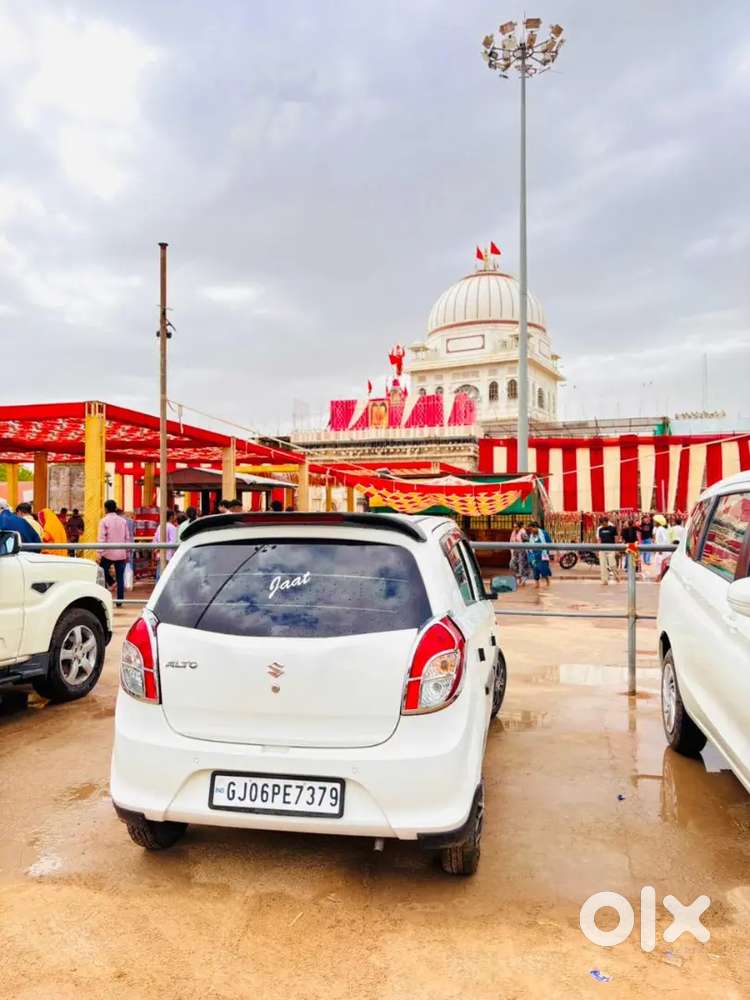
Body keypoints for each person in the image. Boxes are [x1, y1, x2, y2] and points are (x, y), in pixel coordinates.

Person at [98, 499, 130, 607]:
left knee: (102, 573)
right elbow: (127, 538)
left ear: (106, 509)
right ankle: (120, 601)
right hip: (121, 552)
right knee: (120, 578)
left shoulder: (104, 521)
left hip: (108, 553)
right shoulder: (123, 521)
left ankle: (104, 596)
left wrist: (99, 553)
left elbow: (102, 538)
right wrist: (127, 552)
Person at [152, 510, 178, 578]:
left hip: (160, 554)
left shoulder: (160, 526)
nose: (175, 517)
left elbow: (155, 539)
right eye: (174, 516)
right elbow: (173, 542)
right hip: (168, 555)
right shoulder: (172, 527)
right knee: (166, 576)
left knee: (159, 575)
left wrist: (157, 548)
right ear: (171, 517)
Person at [527, 521, 552, 589]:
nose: (530, 531)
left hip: (543, 554)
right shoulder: (531, 535)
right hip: (534, 555)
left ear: (535, 527)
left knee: (543, 568)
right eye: (529, 530)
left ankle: (548, 582)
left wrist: (546, 552)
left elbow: (550, 543)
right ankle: (537, 584)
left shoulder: (544, 533)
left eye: (531, 529)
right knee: (535, 569)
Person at [597, 515, 620, 585]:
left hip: (611, 549)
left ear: (607, 522)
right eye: (601, 523)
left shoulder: (613, 528)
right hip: (602, 549)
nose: (603, 524)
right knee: (603, 566)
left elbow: (616, 539)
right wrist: (598, 550)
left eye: (604, 523)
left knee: (612, 564)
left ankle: (616, 576)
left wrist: (616, 549)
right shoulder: (600, 529)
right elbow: (599, 540)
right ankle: (604, 580)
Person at [509, 521, 530, 586]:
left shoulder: (523, 533)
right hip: (515, 550)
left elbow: (527, 542)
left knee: (522, 565)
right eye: (514, 527)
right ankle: (519, 576)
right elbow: (511, 541)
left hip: (522, 550)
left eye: (516, 527)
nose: (515, 528)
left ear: (519, 527)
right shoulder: (513, 532)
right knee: (512, 564)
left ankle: (523, 579)